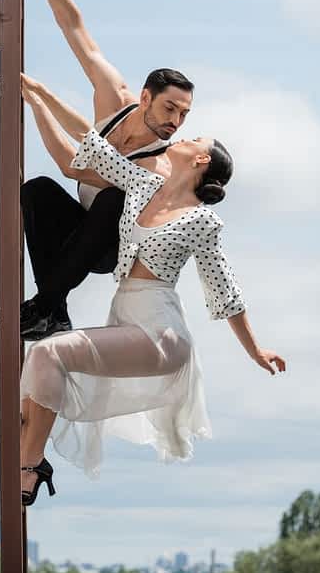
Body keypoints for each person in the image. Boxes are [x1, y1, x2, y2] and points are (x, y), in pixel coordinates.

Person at [18, 76, 286, 504]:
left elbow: (225, 292)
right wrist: (39, 94)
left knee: (49, 353)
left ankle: (26, 467)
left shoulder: (201, 221)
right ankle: (29, 457)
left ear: (199, 158)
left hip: (160, 332)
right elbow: (92, 141)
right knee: (40, 359)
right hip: (124, 318)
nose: (183, 131)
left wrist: (256, 351)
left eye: (195, 134)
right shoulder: (143, 186)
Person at [0, 0, 195, 341]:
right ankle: (54, 311)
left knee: (112, 198)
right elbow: (73, 26)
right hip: (76, 226)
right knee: (37, 191)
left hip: (108, 248)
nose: (176, 120)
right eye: (170, 107)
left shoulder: (158, 163)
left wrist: (38, 102)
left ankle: (45, 304)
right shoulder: (114, 100)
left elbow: (73, 164)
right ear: (144, 97)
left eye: (184, 114)